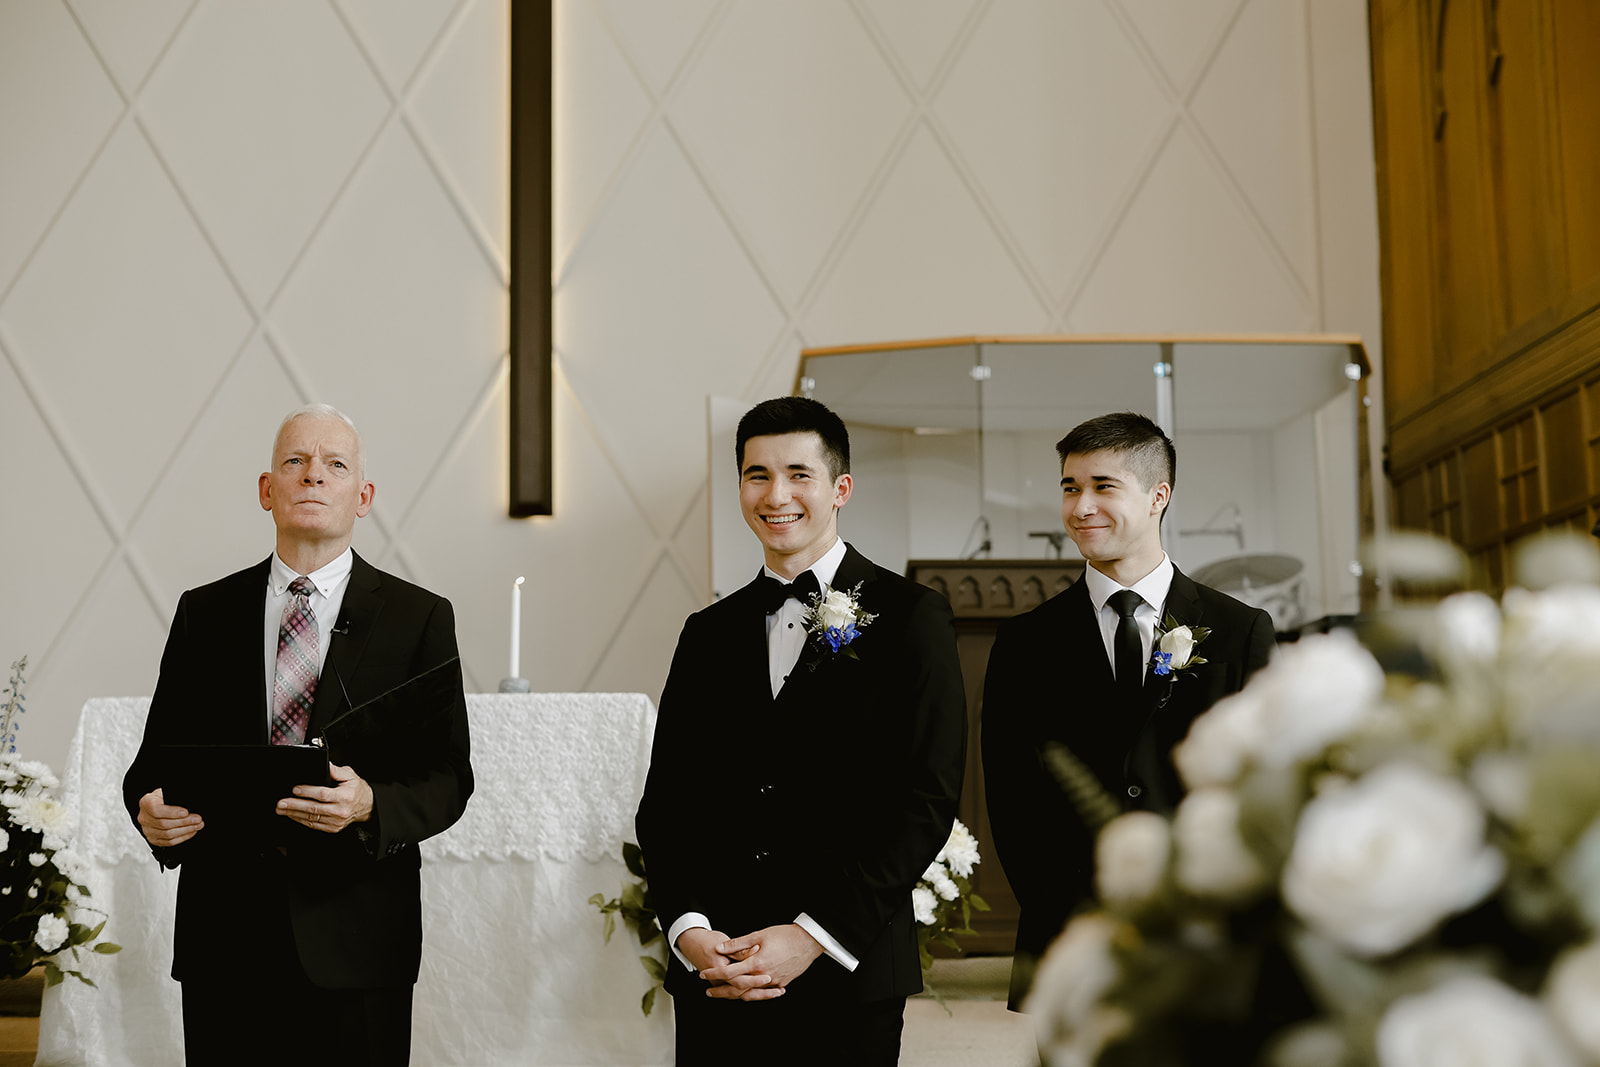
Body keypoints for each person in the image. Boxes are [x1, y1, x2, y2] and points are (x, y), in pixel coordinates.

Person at [123, 404, 473, 1065]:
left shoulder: (419, 618)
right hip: (224, 940)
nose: (314, 475)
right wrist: (149, 812)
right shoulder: (205, 613)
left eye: (335, 464)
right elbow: (151, 767)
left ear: (362, 496)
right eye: (296, 461)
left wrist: (370, 803)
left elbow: (450, 774)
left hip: (360, 941)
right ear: (266, 489)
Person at [635, 397, 967, 1065]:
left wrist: (812, 935)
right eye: (757, 474)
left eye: (798, 474)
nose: (775, 494)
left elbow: (925, 800)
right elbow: (667, 802)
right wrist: (691, 930)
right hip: (719, 972)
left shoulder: (912, 618)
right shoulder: (707, 633)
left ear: (840, 488)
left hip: (848, 969)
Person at [982, 411, 1274, 1009]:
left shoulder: (1240, 631)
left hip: (1207, 932)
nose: (1081, 507)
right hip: (1074, 937)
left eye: (1103, 487)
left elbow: (1262, 783)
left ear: (1157, 496)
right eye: (1070, 488)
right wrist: (1061, 911)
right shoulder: (1024, 643)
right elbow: (1010, 799)